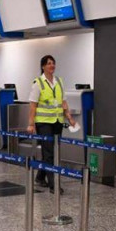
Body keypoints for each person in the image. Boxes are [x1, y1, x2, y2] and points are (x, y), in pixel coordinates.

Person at [26, 55, 76, 194]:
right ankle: (53, 185)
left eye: (53, 63)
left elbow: (63, 102)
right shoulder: (38, 83)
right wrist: (31, 124)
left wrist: (69, 118)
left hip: (57, 122)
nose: (52, 65)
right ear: (43, 66)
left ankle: (40, 177)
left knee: (53, 151)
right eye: (49, 63)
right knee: (49, 152)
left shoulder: (59, 81)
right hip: (43, 123)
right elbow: (33, 105)